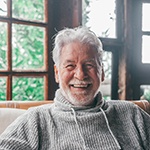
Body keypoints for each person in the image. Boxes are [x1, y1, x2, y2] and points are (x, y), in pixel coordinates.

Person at [0, 26, 150, 150]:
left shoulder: (133, 115)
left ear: (102, 72)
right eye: (70, 65)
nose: (80, 75)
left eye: (89, 65)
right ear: (57, 73)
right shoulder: (36, 121)